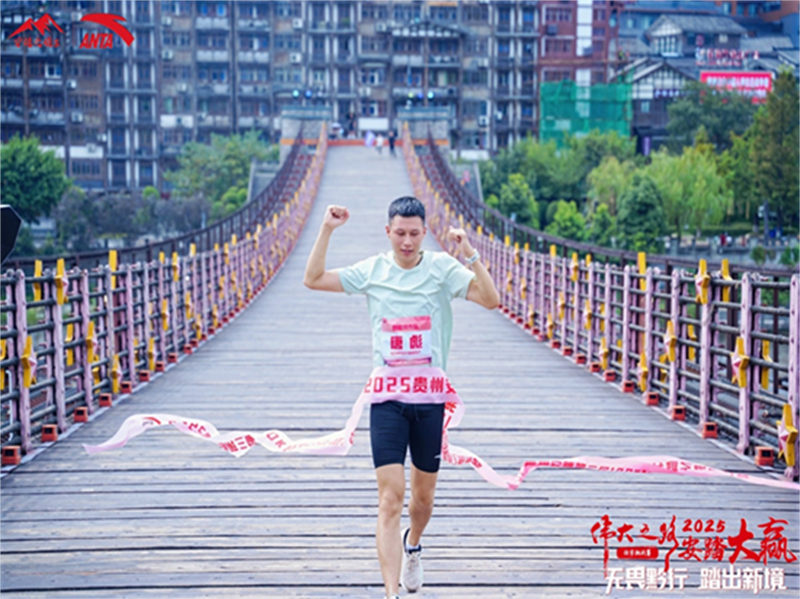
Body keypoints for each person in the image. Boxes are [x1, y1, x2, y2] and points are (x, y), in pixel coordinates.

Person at [303, 197, 499, 599]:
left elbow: (490, 299)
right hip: (387, 400)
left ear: (424, 233)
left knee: (422, 501)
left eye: (414, 234)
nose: (406, 242)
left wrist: (469, 253)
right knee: (389, 499)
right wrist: (326, 229)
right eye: (399, 233)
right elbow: (313, 278)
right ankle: (391, 593)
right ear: (387, 232)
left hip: (429, 401)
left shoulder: (442, 269)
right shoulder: (373, 270)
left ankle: (414, 544)